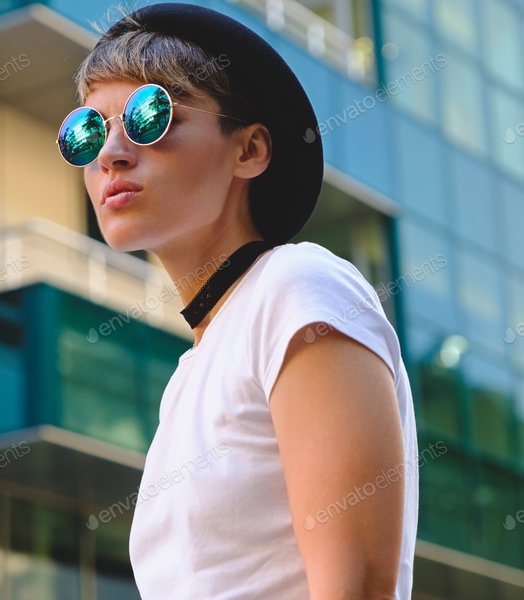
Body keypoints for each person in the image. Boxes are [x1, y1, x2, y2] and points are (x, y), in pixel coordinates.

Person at [55, 3, 418, 598]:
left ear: (248, 150)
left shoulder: (297, 287)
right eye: (87, 131)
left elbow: (360, 587)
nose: (111, 153)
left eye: (150, 116)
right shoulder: (193, 370)